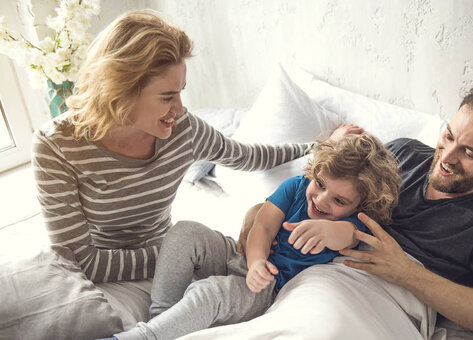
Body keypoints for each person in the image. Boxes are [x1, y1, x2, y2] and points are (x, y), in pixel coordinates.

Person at [70, 132, 403, 340]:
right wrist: (256, 259)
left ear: (362, 205)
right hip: (244, 257)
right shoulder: (296, 189)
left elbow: (351, 235)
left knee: (209, 291)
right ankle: (161, 320)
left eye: (339, 201)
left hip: (266, 287)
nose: (321, 200)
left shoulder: (352, 223)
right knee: (185, 230)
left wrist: (333, 229)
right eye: (321, 184)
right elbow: (262, 227)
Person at [31, 10, 318, 284]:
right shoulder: (57, 147)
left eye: (180, 92)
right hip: (103, 276)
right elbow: (80, 262)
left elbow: (249, 157)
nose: (180, 109)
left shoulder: (184, 130)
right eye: (167, 97)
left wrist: (317, 145)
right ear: (120, 91)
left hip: (173, 261)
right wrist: (185, 252)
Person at [340, 81, 473, 340]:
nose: (447, 157)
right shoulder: (401, 154)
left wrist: (406, 271)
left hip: (391, 312)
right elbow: (326, 193)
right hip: (329, 277)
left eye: (468, 152)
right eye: (449, 137)